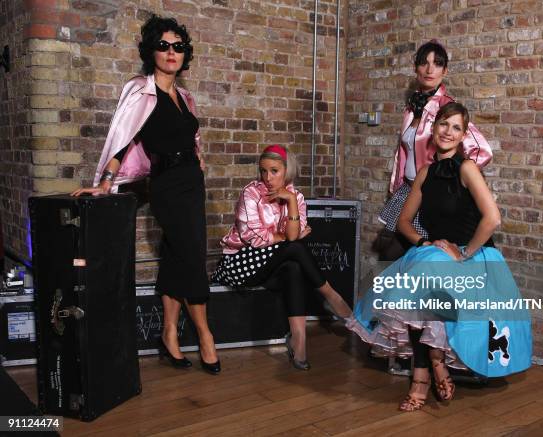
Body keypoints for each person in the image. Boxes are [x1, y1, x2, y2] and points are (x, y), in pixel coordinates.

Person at [348, 103, 532, 412]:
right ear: (433, 130)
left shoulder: (467, 168)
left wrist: (463, 253)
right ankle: (432, 365)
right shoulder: (425, 173)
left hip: (475, 259)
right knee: (418, 288)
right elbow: (403, 222)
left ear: (463, 136)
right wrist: (425, 241)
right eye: (443, 124)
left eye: (456, 127)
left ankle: (425, 374)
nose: (448, 131)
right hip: (435, 255)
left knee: (424, 283)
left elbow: (492, 219)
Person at [71, 15, 220, 374]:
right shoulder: (140, 89)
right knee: (192, 258)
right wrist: (106, 180)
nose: (172, 52)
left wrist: (198, 164)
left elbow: (192, 140)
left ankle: (169, 335)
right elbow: (122, 138)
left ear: (186, 54)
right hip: (167, 185)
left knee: (174, 256)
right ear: (151, 50)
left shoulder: (185, 96)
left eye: (179, 47)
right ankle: (205, 336)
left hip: (191, 183)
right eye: (164, 45)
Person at [211, 145, 352, 371]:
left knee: (294, 268)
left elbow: (293, 236)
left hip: (271, 269)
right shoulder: (251, 193)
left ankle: (299, 342)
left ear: (287, 170)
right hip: (239, 265)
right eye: (263, 171)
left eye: (274, 171)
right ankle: (331, 295)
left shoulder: (296, 196)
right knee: (294, 248)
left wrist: (292, 202)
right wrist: (287, 236)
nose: (268, 177)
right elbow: (255, 239)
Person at [378, 40, 492, 261]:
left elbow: (482, 150)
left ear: (445, 70)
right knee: (396, 254)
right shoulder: (411, 108)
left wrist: (451, 180)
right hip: (408, 190)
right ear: (416, 68)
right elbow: (404, 153)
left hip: (429, 194)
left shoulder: (447, 107)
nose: (430, 69)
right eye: (424, 63)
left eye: (437, 64)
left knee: (411, 258)